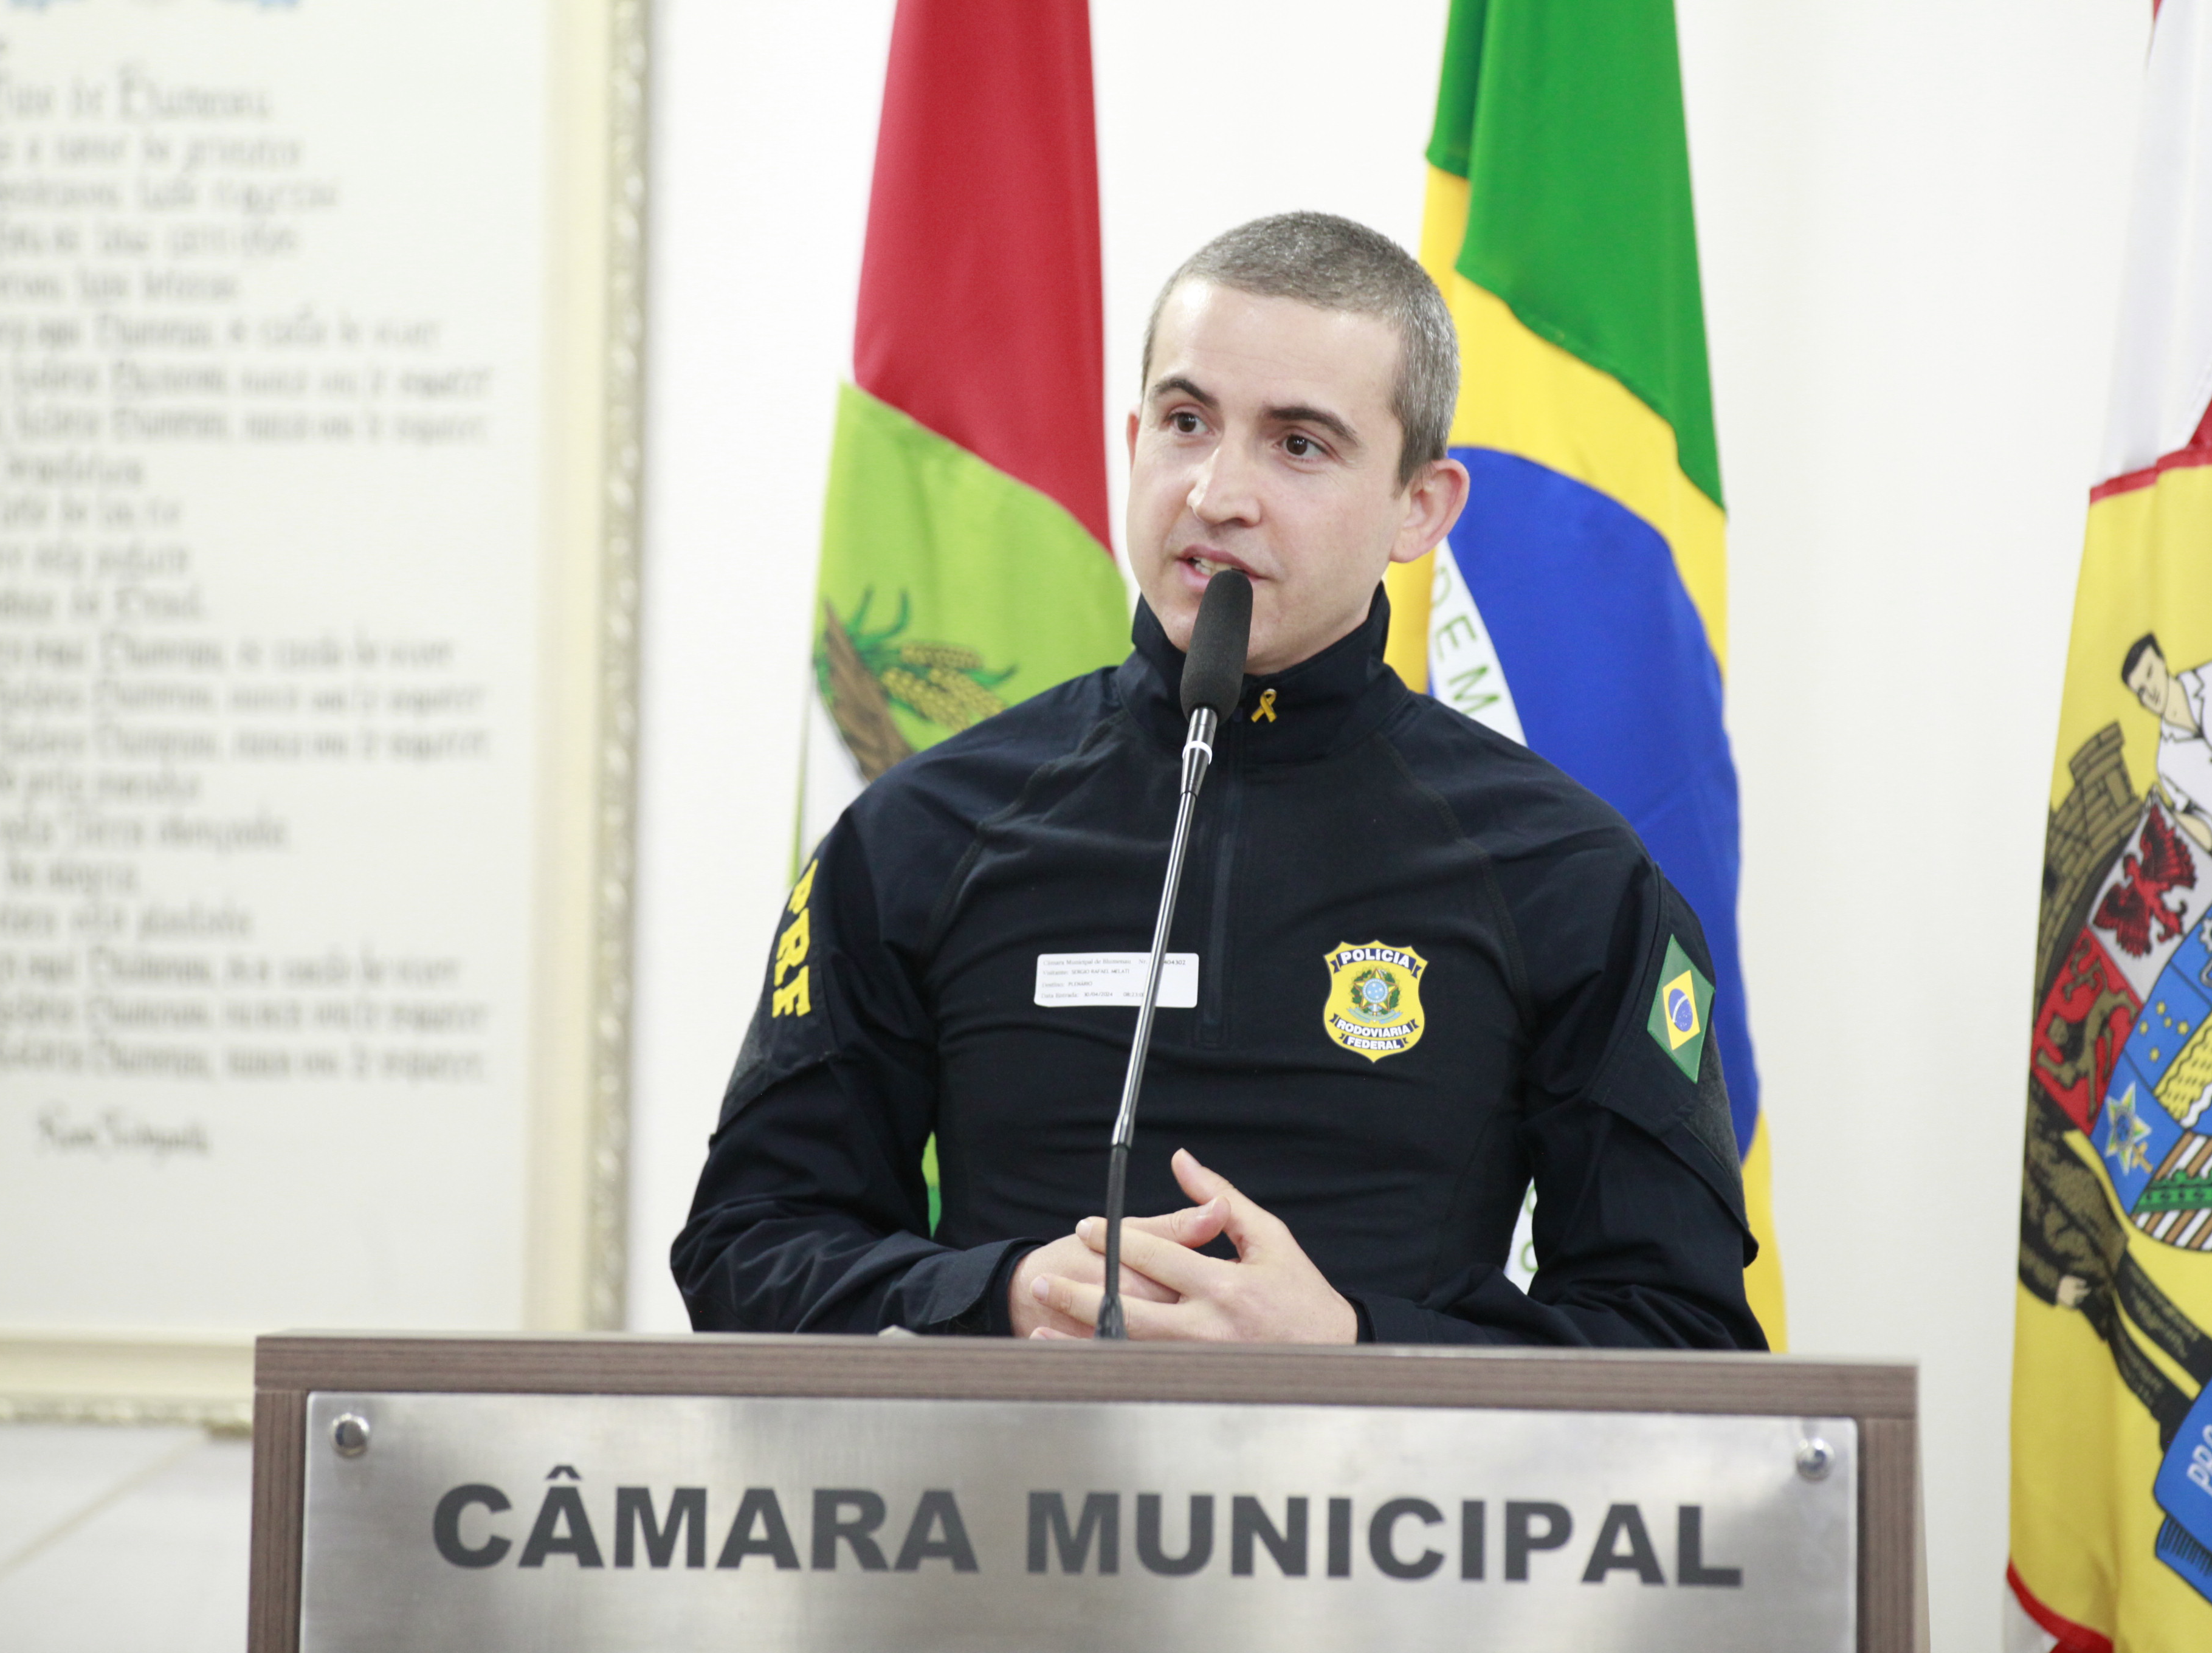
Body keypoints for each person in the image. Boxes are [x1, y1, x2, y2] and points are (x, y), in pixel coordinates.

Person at [672, 213, 1764, 1349]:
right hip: (999, 1511)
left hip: (1391, 1519)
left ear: (1419, 508)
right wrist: (992, 1296)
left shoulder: (1566, 873)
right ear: (1135, 439)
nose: (1218, 494)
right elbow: (746, 1248)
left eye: (1300, 445)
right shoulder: (922, 831)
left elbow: (1685, 1339)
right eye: (1188, 425)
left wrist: (1353, 1351)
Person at [2121, 633, 2212, 875]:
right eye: (2141, 692)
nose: (2151, 692)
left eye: (2150, 673)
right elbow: (2211, 832)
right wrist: (2170, 820)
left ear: (2163, 661)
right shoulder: (2166, 764)